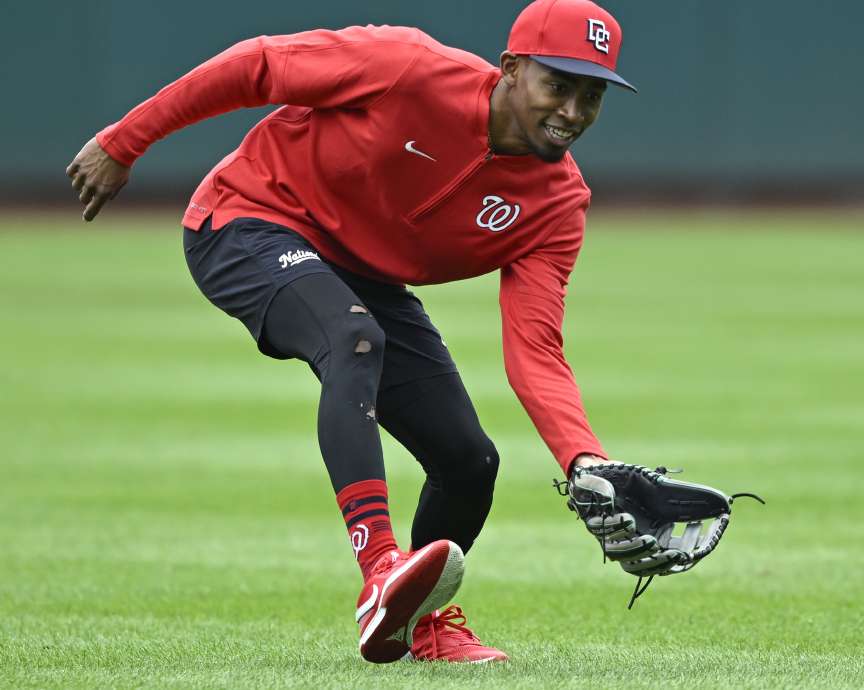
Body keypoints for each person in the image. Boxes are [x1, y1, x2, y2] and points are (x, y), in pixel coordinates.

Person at [65, 0, 635, 664]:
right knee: (355, 338)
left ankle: (420, 620)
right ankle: (380, 570)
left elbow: (535, 350)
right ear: (511, 68)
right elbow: (257, 66)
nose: (572, 111)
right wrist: (124, 140)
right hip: (250, 219)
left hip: (361, 275)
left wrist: (584, 460)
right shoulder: (407, 67)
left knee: (469, 462)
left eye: (590, 96)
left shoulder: (558, 206)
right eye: (557, 86)